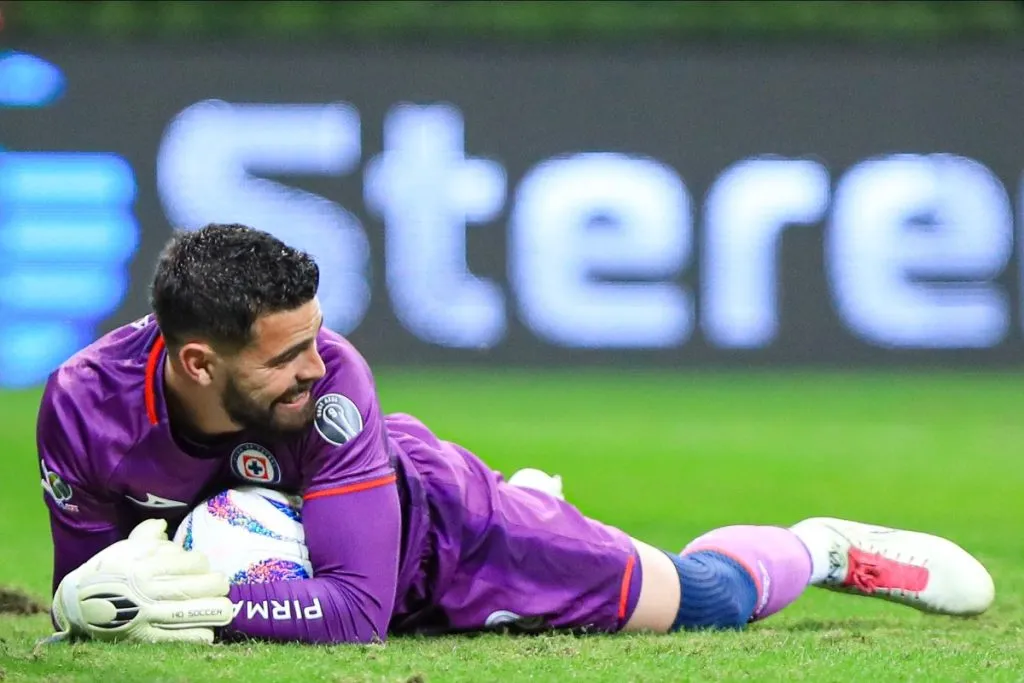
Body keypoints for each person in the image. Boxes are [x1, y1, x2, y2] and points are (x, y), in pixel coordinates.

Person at [38, 224, 995, 646]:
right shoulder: (84, 410)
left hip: (451, 537)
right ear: (198, 364)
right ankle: (543, 493)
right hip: (304, 561)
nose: (316, 365)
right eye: (286, 356)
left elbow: (360, 615)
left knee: (700, 600)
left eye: (317, 336)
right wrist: (84, 604)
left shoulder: (337, 390)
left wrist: (198, 607)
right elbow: (89, 594)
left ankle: (822, 547)